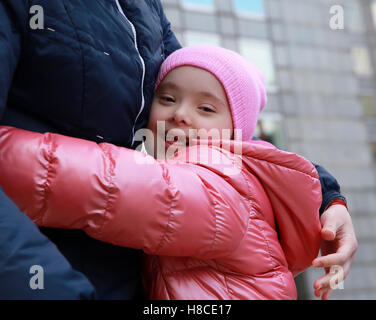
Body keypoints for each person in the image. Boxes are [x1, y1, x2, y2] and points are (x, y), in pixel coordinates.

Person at [0, 0, 357, 300]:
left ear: (238, 131)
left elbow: (105, 184)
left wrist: (10, 151)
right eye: (167, 98)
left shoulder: (217, 183)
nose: (180, 115)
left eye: (206, 109)